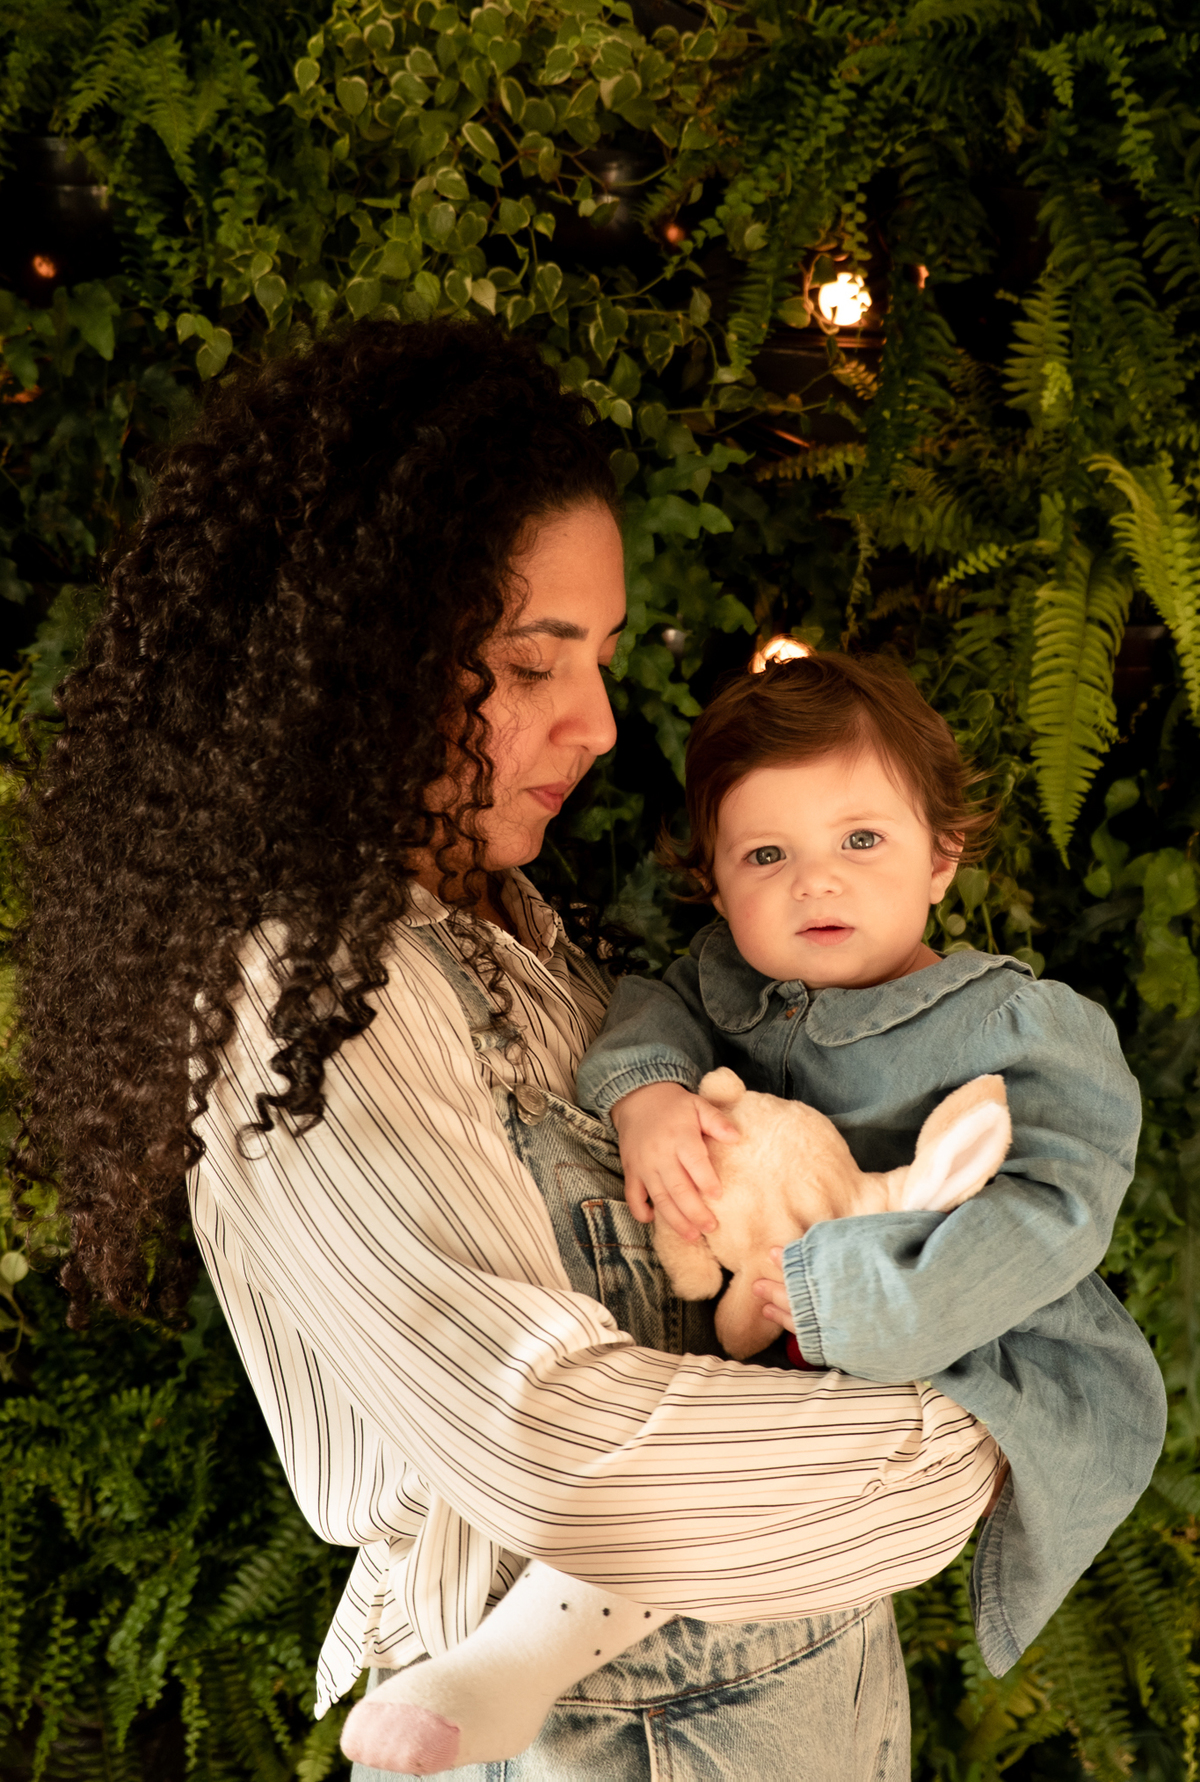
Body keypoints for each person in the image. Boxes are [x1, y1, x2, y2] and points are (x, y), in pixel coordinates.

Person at [14, 319, 1013, 1782]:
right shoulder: (309, 994)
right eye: (533, 662)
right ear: (363, 658)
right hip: (602, 1740)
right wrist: (977, 1437)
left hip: (803, 1702)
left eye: (599, 658)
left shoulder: (521, 927)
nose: (598, 724)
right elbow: (553, 1446)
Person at [344, 653, 1166, 1775]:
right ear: (717, 883)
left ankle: (516, 1661)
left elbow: (1051, 1216)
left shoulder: (1016, 1026)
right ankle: (509, 1665)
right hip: (759, 1330)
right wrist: (647, 1097)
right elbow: (651, 1014)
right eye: (766, 855)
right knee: (682, 1448)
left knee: (736, 1471)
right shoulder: (726, 980)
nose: (815, 883)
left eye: (861, 840)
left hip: (963, 1333)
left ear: (942, 856)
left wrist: (837, 1296)